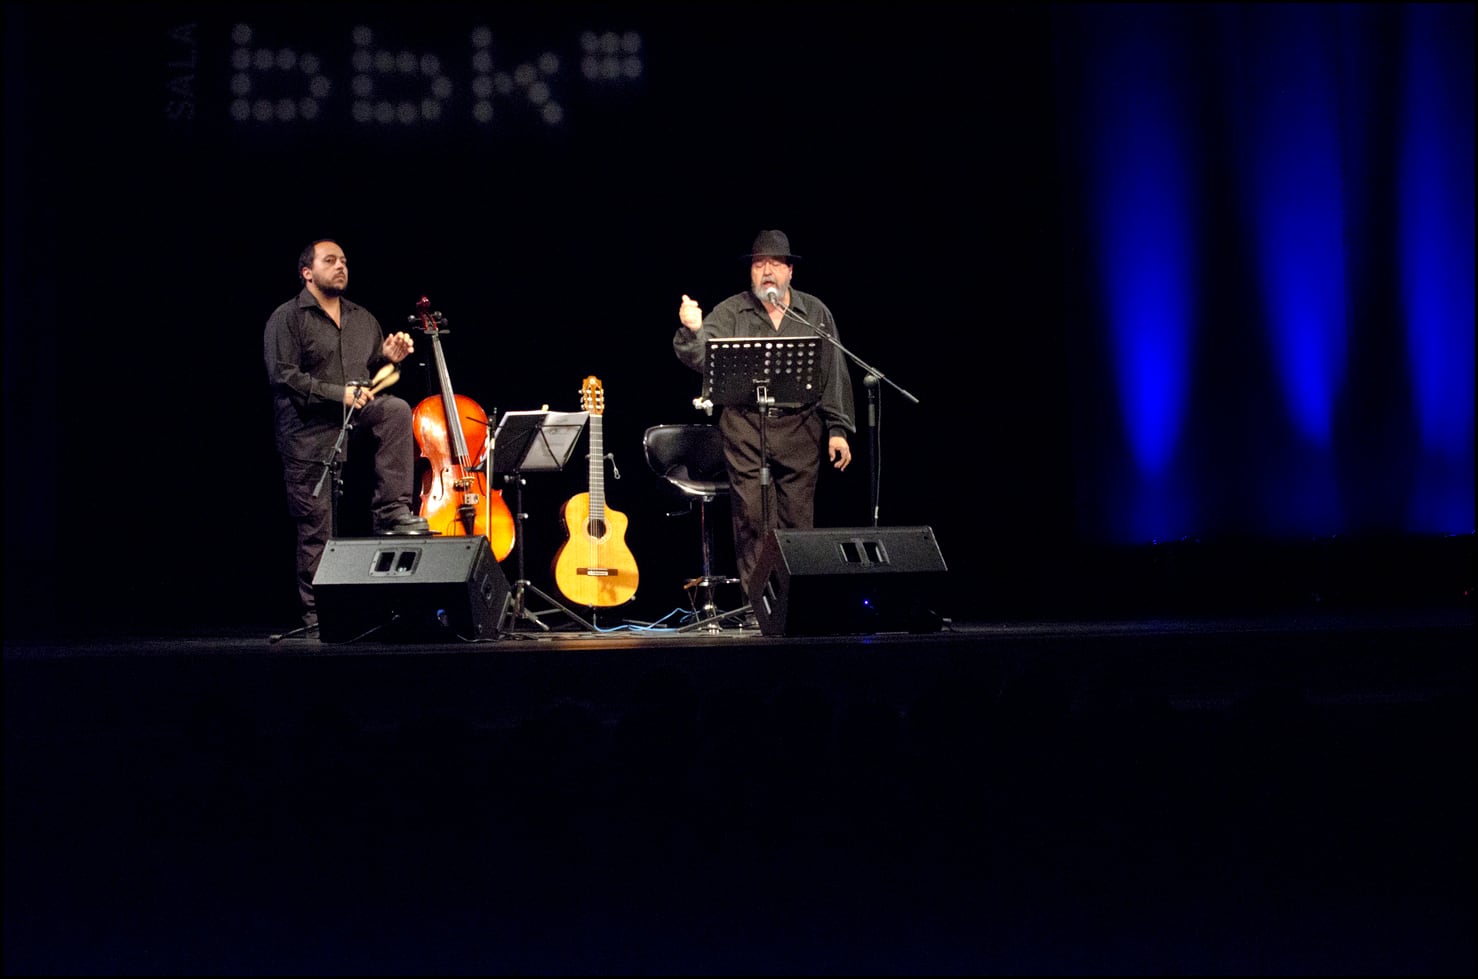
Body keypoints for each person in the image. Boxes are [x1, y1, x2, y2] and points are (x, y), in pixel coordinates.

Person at [674, 229, 856, 605]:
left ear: (790, 271)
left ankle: (798, 604)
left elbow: (833, 371)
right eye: (759, 264)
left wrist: (838, 429)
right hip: (744, 427)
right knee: (752, 520)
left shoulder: (814, 312)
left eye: (775, 264)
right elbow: (699, 358)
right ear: (751, 273)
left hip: (800, 429)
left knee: (797, 522)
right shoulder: (731, 311)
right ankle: (759, 605)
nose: (767, 271)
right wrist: (694, 330)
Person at [264, 238, 429, 635]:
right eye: (330, 260)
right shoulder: (287, 318)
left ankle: (391, 508)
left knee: (395, 409)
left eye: (344, 261)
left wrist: (388, 357)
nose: (341, 266)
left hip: (353, 420)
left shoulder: (361, 318)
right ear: (307, 272)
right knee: (316, 530)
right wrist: (339, 394)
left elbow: (371, 373)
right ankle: (317, 618)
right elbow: (284, 376)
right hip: (308, 434)